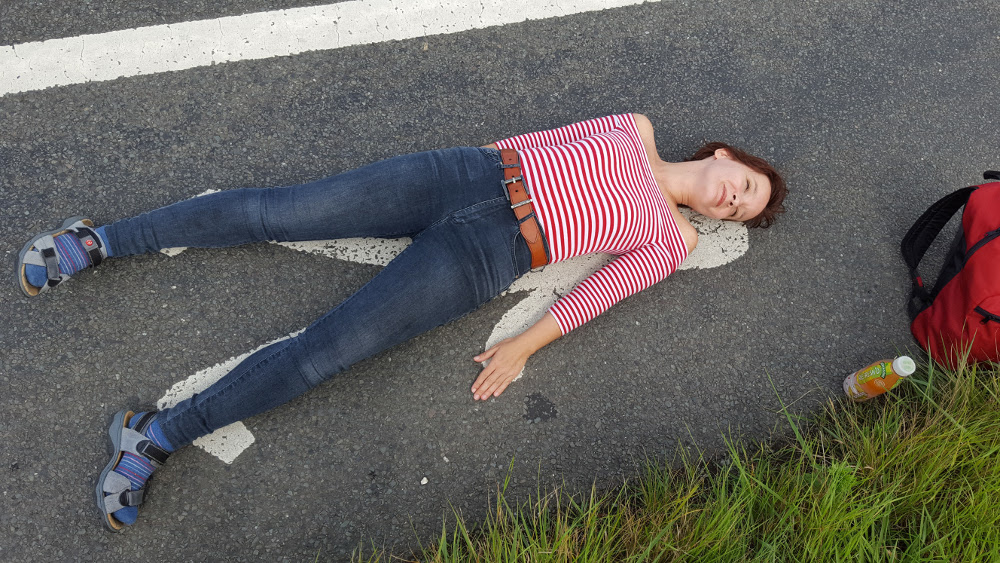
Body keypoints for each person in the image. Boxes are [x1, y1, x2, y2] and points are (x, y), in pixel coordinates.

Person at [15, 113, 786, 531]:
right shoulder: (636, 127)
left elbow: (600, 291)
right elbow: (540, 142)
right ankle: (98, 240)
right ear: (725, 154)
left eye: (740, 211)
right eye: (744, 186)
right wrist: (475, 165)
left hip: (488, 256)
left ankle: (154, 435)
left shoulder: (674, 239)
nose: (732, 200)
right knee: (278, 212)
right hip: (467, 177)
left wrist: (523, 343)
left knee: (322, 354)